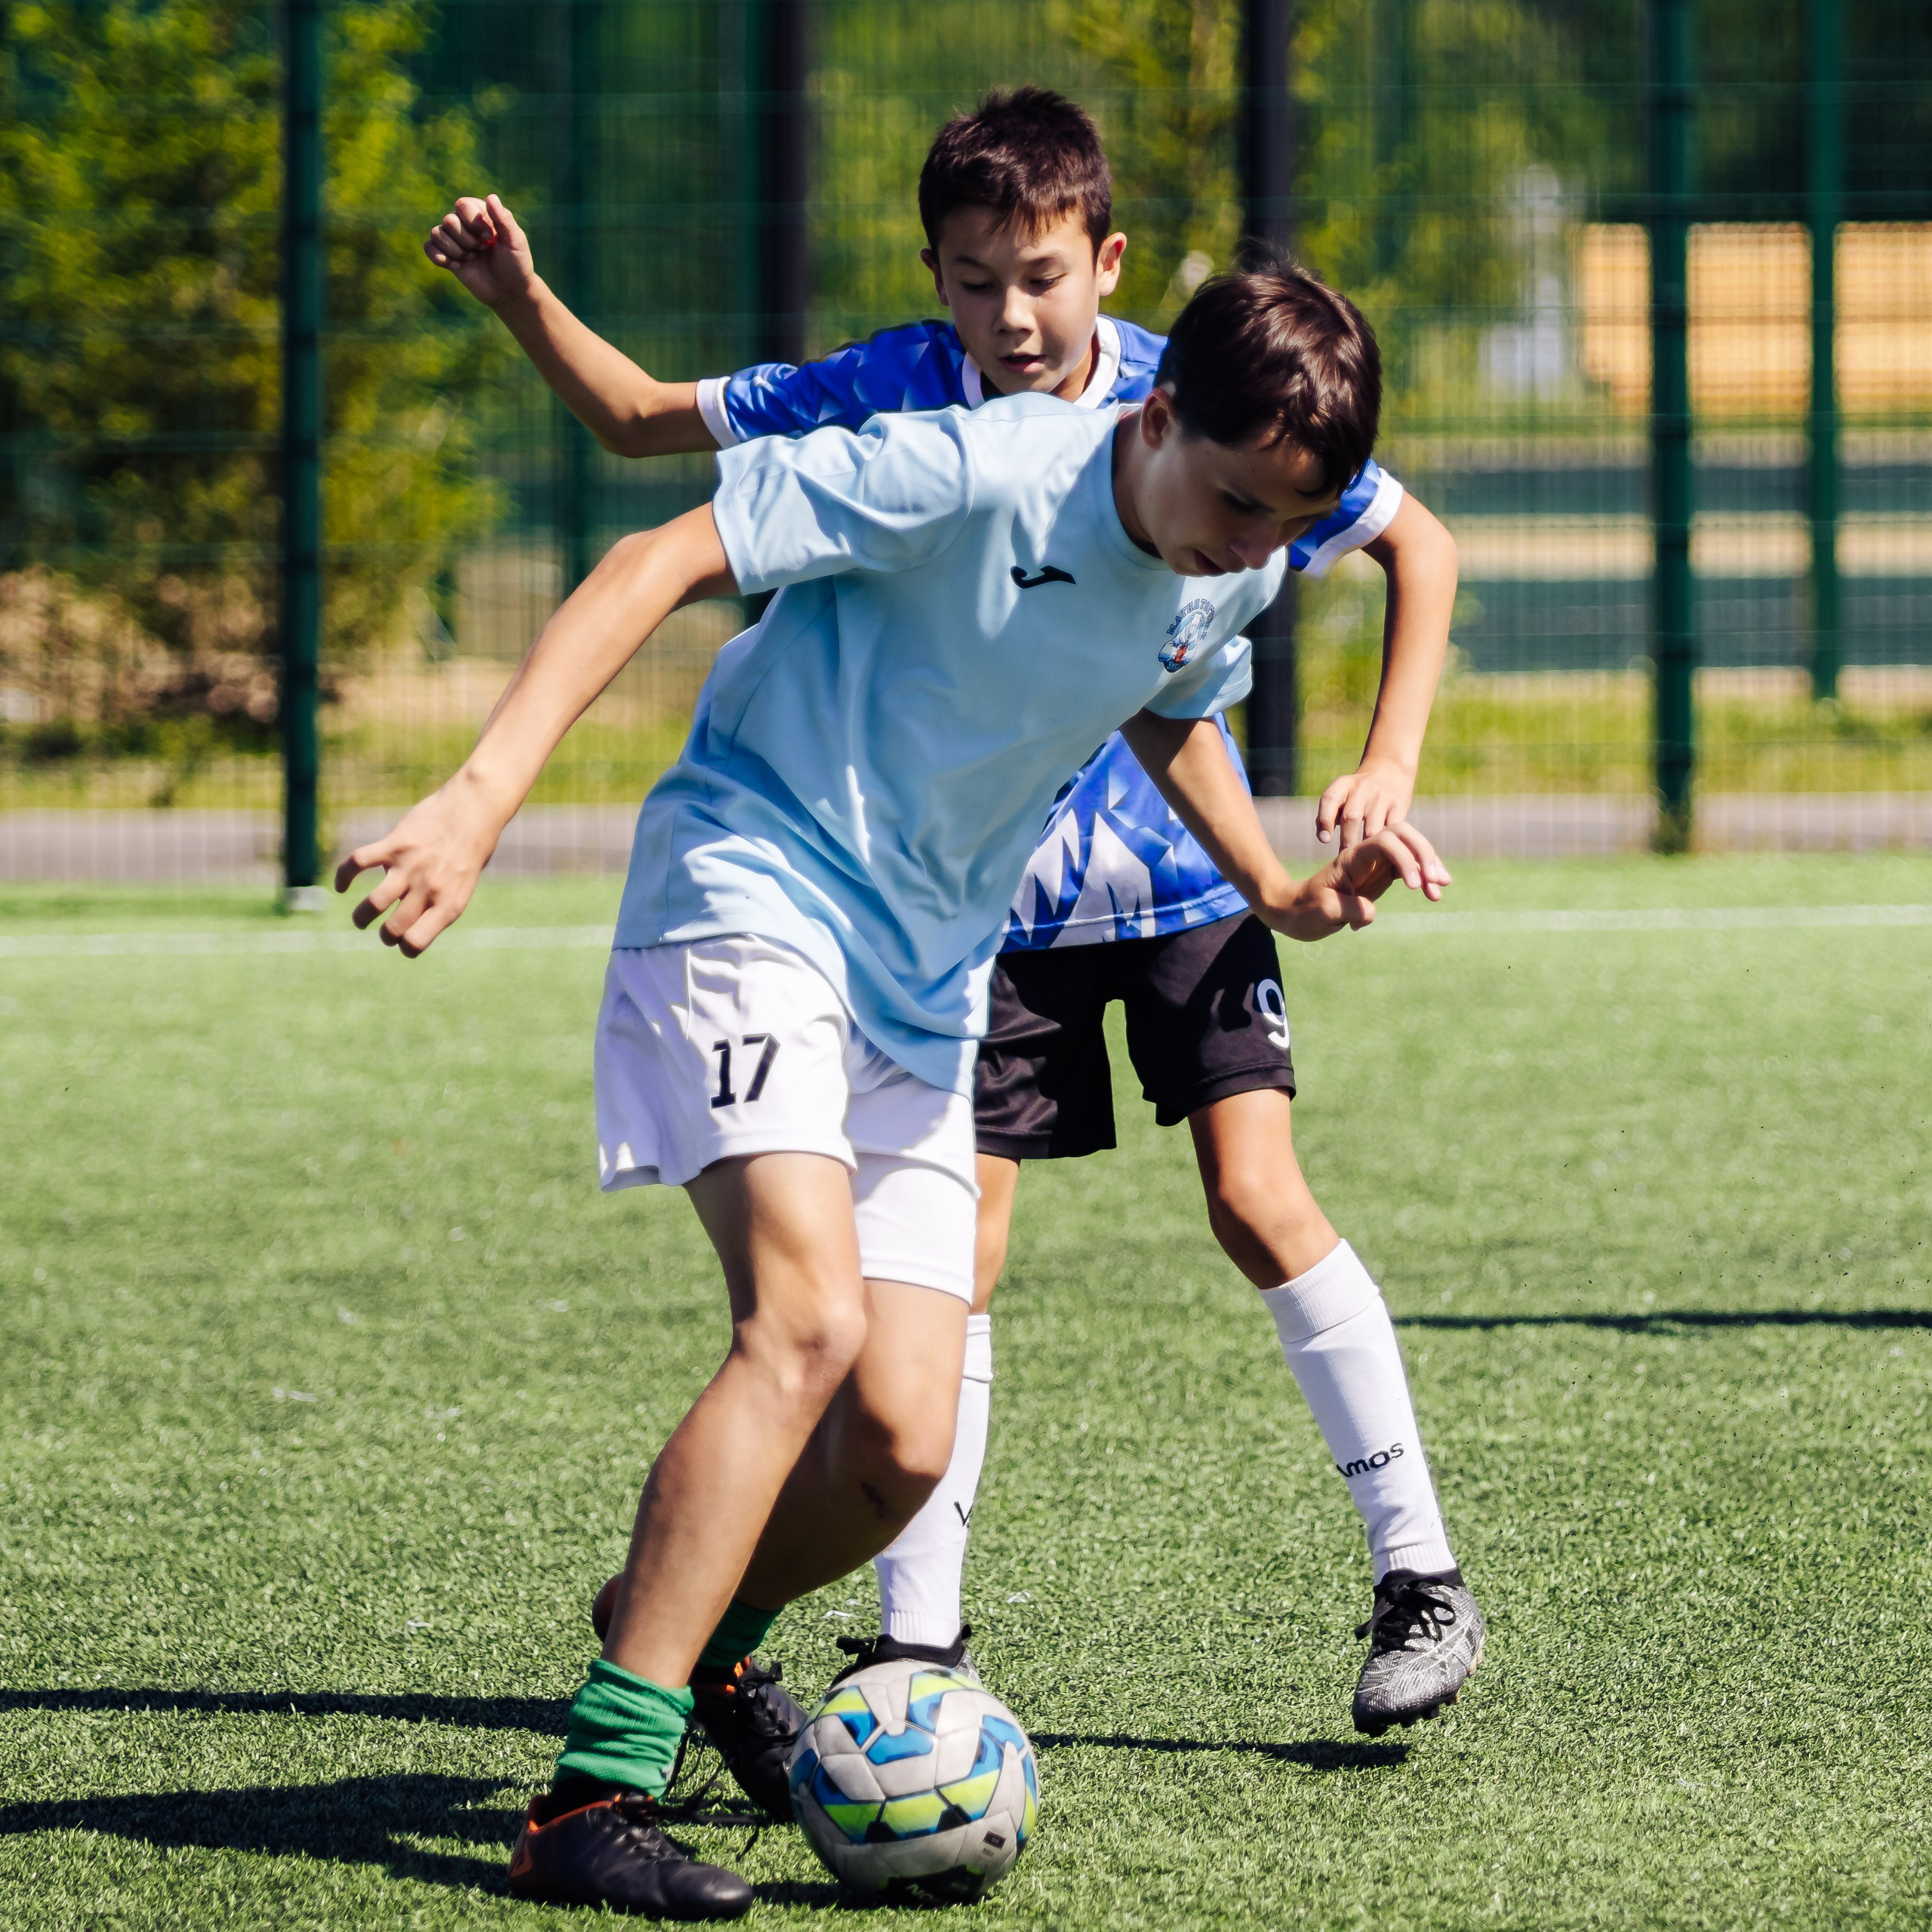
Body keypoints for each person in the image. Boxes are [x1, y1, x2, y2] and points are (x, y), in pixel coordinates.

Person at [342, 255, 1447, 1917]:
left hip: (925, 984)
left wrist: (1272, 885)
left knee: (900, 1445)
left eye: (1283, 524)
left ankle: (692, 1633)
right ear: (1152, 418)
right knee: (803, 1324)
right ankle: (589, 1790)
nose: (1250, 546)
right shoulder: (972, 461)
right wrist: (479, 798)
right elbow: (666, 550)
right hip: (753, 891)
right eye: (1230, 500)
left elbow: (1167, 704)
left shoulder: (1234, 559)